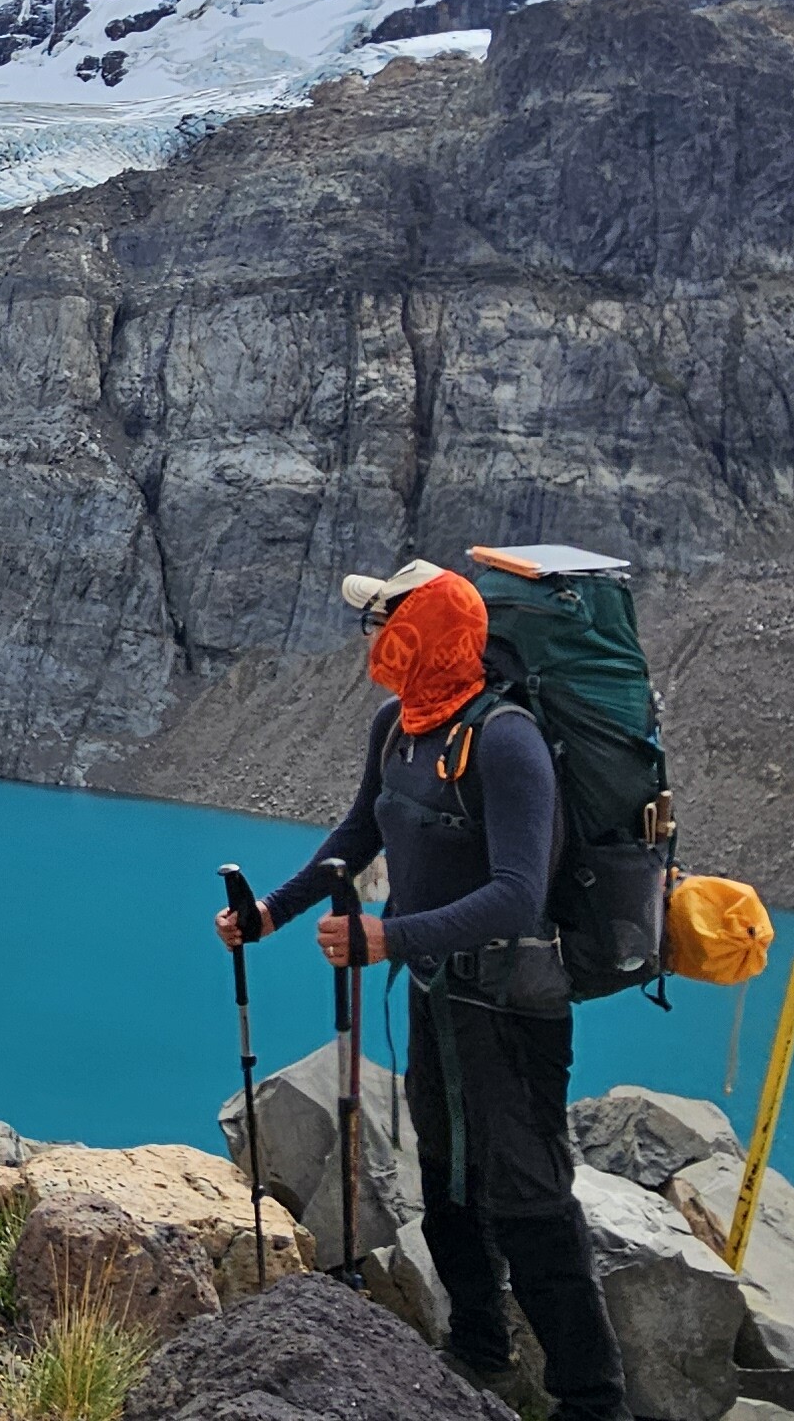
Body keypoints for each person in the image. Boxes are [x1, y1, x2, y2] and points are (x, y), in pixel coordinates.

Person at [221, 557, 625, 1421]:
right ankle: (480, 1351)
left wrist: (385, 936)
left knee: (529, 1199)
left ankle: (595, 1401)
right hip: (439, 996)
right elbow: (361, 830)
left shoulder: (506, 740)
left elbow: (518, 892)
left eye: (387, 620)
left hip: (513, 1010)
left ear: (426, 633)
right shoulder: (399, 726)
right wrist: (271, 914)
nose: (374, 636)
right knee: (445, 1180)